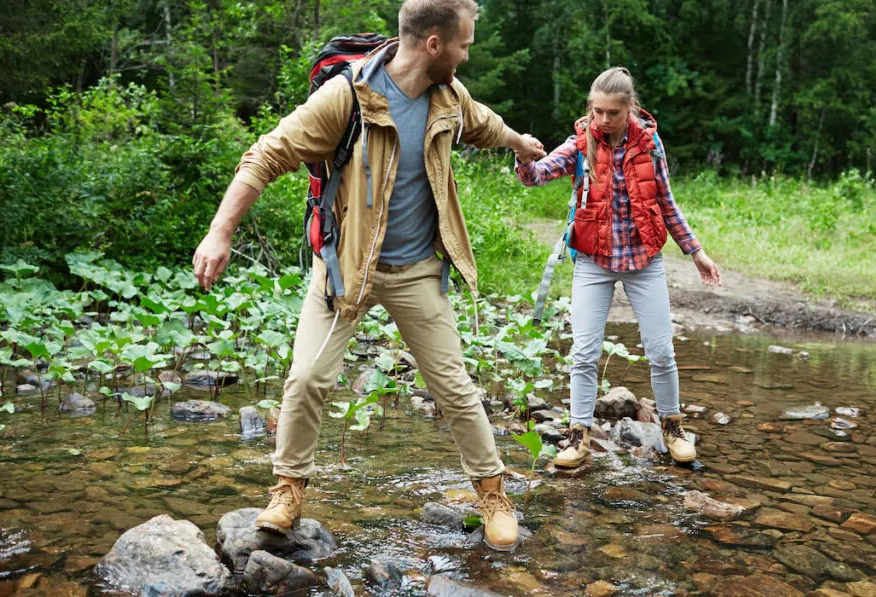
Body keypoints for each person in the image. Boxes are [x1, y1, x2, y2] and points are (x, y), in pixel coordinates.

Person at [191, 0, 546, 551]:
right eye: (465, 45)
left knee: (454, 387)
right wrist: (220, 231)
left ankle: (493, 491)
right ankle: (288, 489)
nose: (467, 55)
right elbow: (265, 155)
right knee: (307, 378)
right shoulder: (347, 98)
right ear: (434, 45)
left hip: (418, 271)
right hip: (348, 269)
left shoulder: (449, 97)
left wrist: (520, 143)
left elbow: (484, 125)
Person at [515, 67, 721, 469]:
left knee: (661, 351)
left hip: (644, 261)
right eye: (597, 112)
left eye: (612, 112)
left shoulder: (650, 144)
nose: (603, 121)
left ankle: (673, 427)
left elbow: (667, 201)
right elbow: (537, 175)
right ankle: (578, 437)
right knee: (584, 353)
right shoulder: (581, 142)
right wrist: (523, 155)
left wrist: (695, 250)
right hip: (594, 262)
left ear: (631, 109)